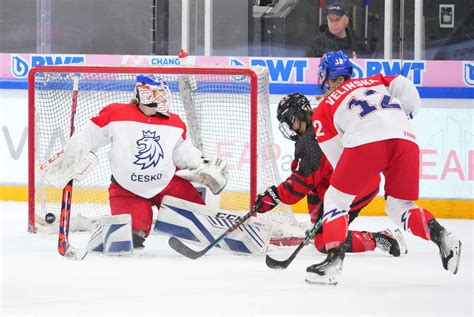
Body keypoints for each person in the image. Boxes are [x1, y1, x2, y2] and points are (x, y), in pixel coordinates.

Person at [307, 50, 462, 285]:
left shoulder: (322, 110)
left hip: (365, 143)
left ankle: (332, 262)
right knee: (400, 207)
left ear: (324, 77)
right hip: (406, 139)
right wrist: (403, 117)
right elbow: (405, 86)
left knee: (335, 199)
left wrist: (365, 166)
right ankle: (442, 235)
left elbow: (341, 163)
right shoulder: (376, 80)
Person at [39, 75, 228, 249]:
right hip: (127, 189)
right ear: (144, 95)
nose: (163, 99)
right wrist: (72, 156)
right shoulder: (116, 114)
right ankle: (114, 231)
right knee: (129, 238)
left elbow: (184, 153)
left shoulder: (174, 122)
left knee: (204, 223)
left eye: (164, 94)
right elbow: (88, 137)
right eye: (159, 94)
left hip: (168, 184)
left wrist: (203, 164)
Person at [253, 93, 406, 257]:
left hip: (357, 187)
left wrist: (276, 195)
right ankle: (323, 229)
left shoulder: (312, 141)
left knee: (324, 241)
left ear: (300, 114)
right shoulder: (322, 120)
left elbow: (300, 182)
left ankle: (380, 238)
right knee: (314, 190)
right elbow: (308, 176)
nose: (290, 128)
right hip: (354, 178)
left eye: (290, 121)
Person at [305, 2, 371, 58]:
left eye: (337, 20)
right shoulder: (317, 44)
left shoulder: (358, 45)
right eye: (330, 19)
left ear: (346, 20)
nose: (333, 24)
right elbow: (307, 68)